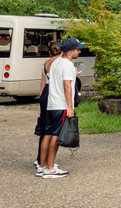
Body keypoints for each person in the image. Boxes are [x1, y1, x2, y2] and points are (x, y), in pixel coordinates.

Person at [39, 37, 86, 178]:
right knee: (56, 135)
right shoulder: (67, 65)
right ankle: (51, 168)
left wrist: (73, 74)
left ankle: (42, 166)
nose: (79, 51)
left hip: (51, 104)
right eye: (77, 49)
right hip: (61, 105)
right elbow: (67, 86)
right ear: (70, 52)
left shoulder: (55, 63)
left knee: (47, 134)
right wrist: (70, 106)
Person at [34, 40, 61, 174]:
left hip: (45, 94)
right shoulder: (60, 63)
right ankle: (47, 163)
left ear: (50, 52)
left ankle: (41, 160)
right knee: (52, 130)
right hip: (54, 94)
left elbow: (42, 84)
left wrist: (40, 102)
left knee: (44, 128)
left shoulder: (46, 63)